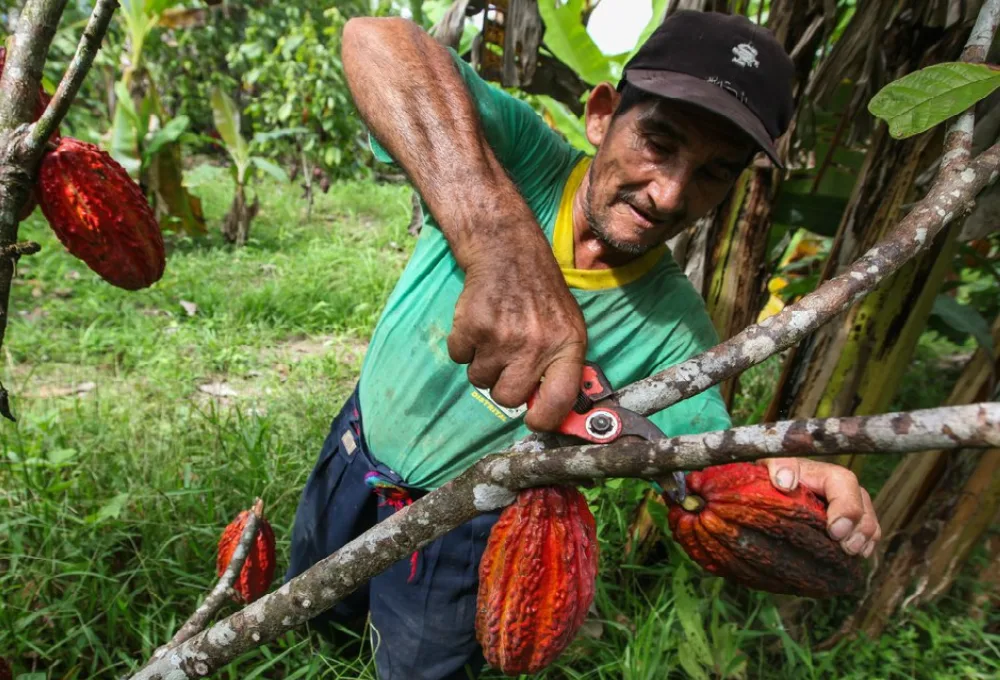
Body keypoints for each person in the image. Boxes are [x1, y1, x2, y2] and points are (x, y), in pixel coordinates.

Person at [286, 10, 882, 680]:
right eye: (659, 142)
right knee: (316, 614)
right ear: (602, 116)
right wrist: (502, 246)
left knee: (420, 666)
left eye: (714, 172)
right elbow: (376, 41)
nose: (670, 193)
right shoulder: (521, 160)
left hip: (465, 535)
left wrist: (790, 483)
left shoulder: (676, 330)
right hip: (356, 446)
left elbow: (702, 467)